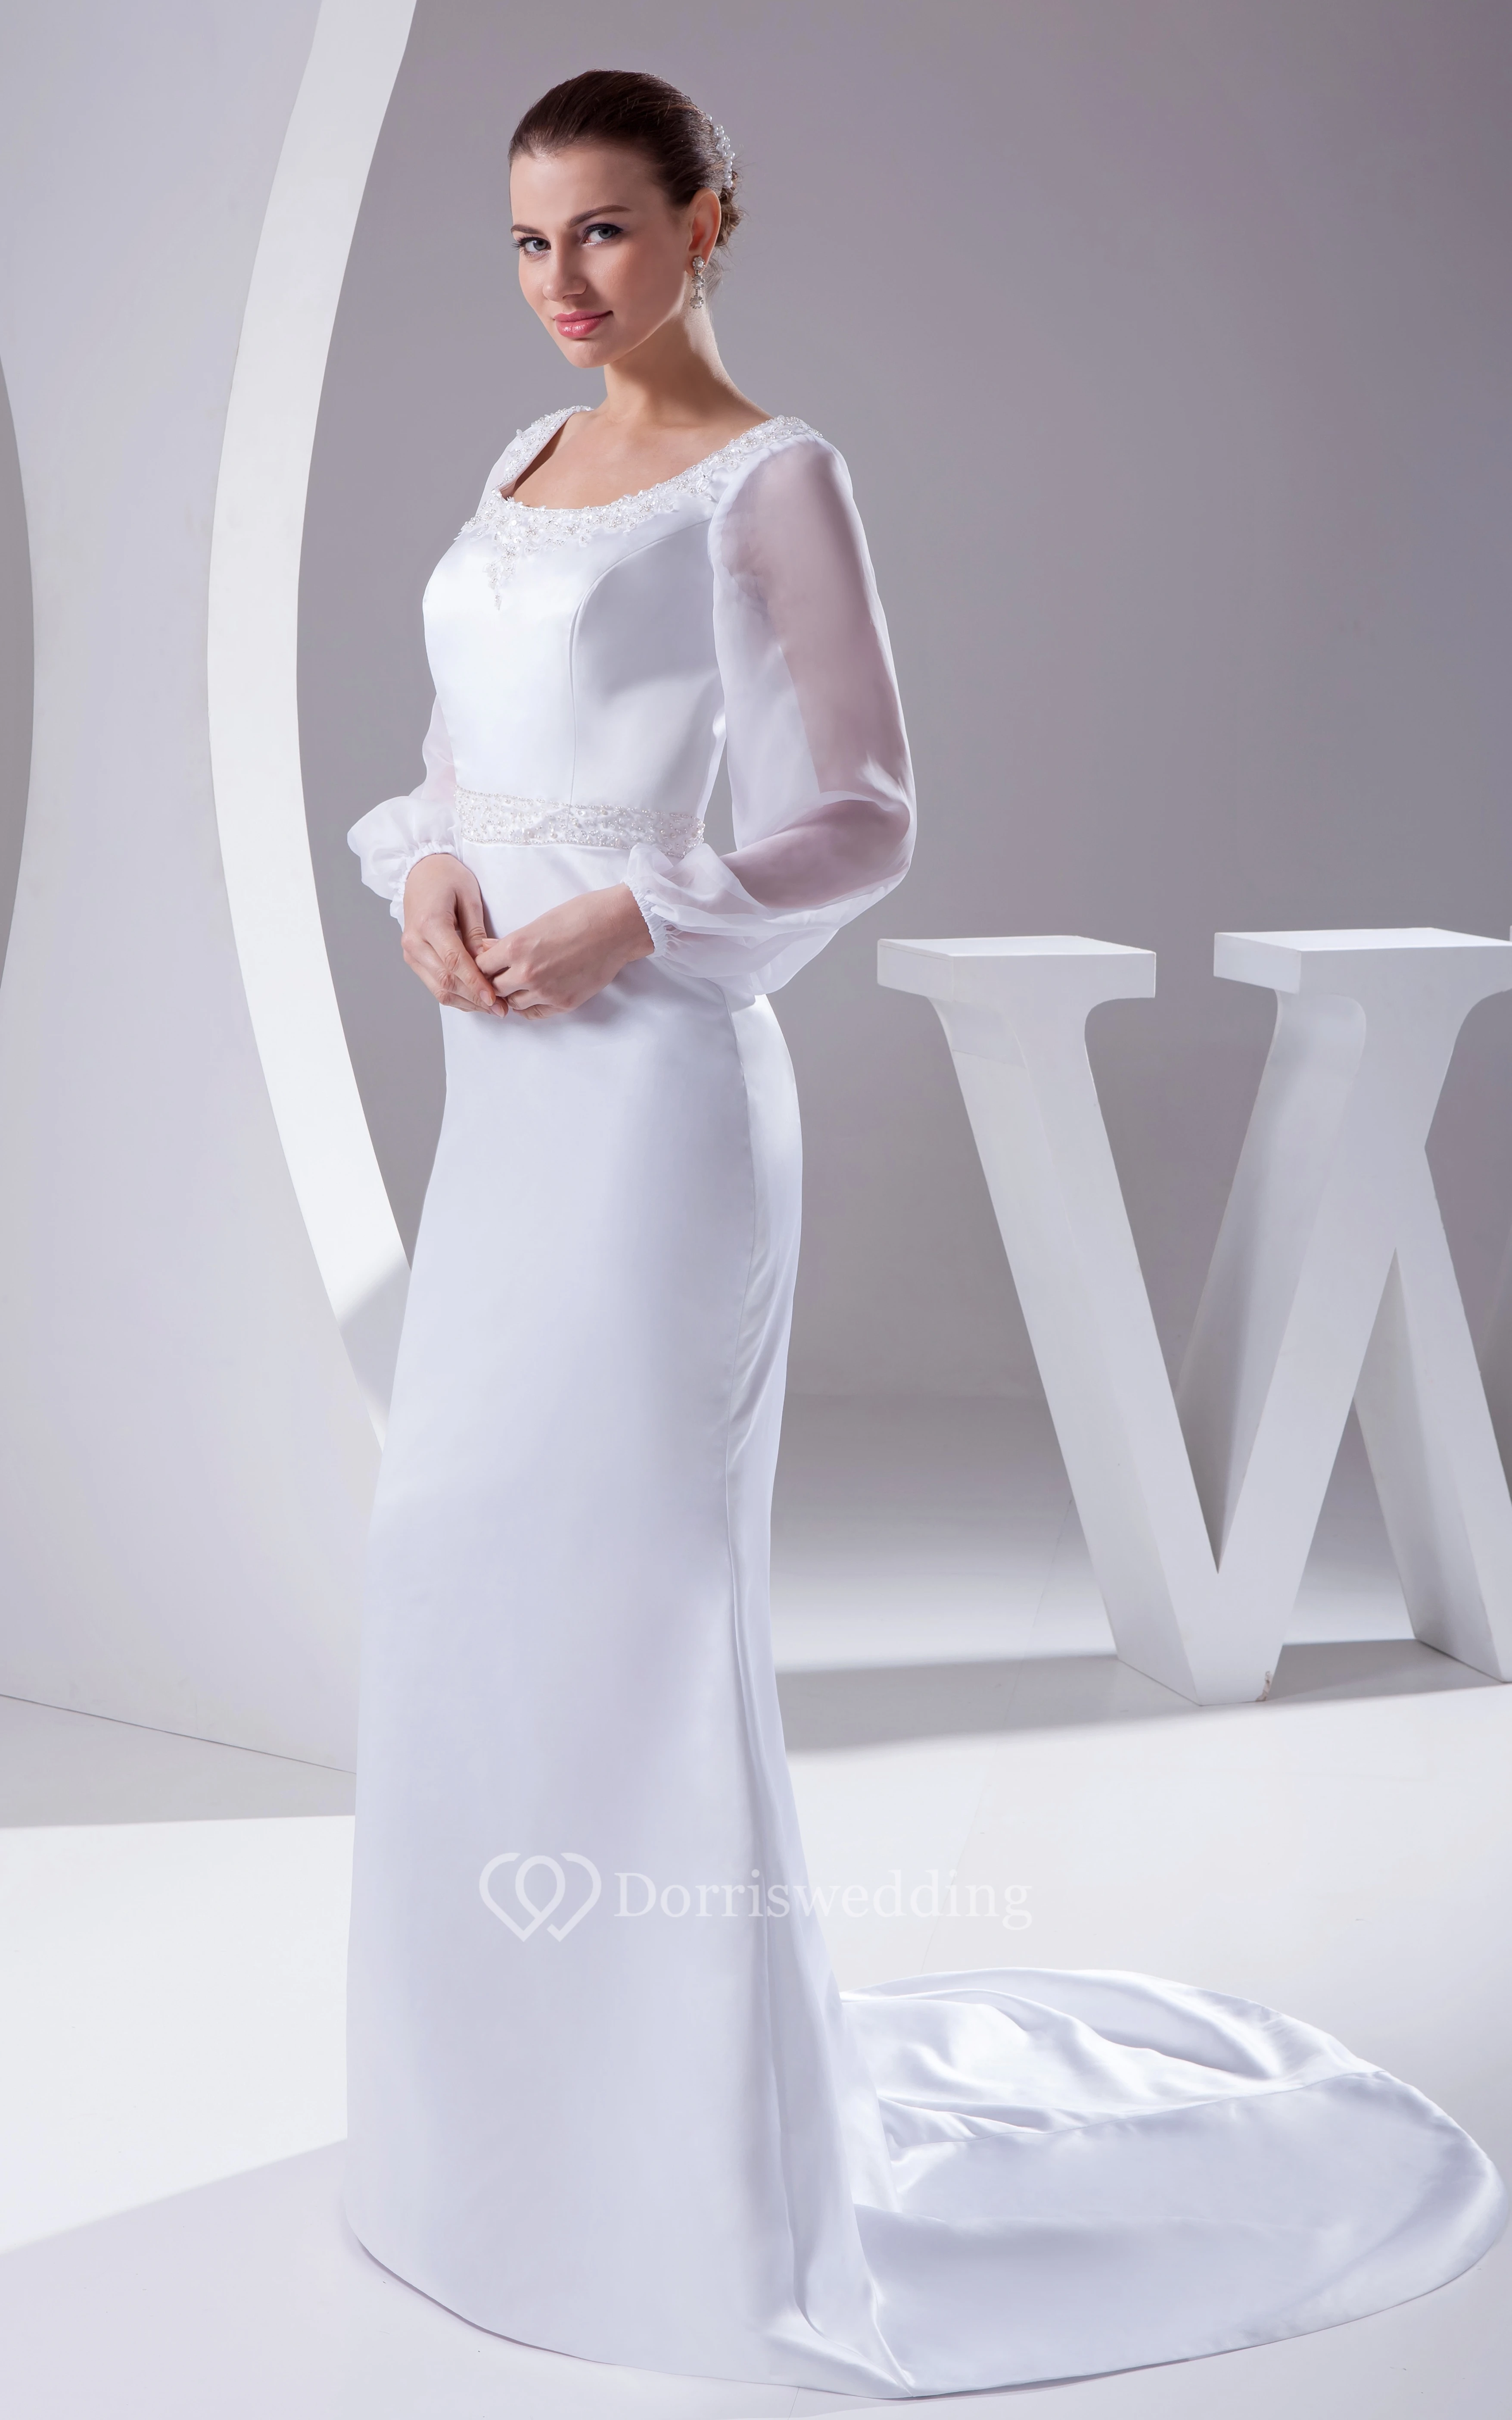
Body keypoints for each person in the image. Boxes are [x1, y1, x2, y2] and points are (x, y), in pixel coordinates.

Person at [344, 68, 1503, 2400]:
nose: (565, 282)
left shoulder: (774, 477)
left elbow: (864, 812)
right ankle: (490, 2145)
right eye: (531, 241)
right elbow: (461, 758)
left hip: (656, 1115)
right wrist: (433, 872)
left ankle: (686, 2185)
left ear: (708, 223)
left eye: (607, 231)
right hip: (505, 1109)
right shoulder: (518, 463)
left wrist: (628, 918)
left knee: (644, 1603)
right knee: (472, 1573)